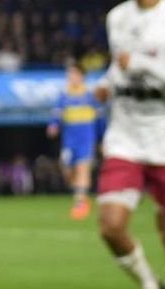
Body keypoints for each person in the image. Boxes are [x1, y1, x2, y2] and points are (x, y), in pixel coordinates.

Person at [95, 0, 165, 289]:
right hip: (125, 136)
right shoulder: (117, 17)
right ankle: (147, 283)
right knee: (111, 225)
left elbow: (135, 64)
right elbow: (118, 66)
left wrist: (140, 65)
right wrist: (107, 84)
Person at [47, 61, 99, 220]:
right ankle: (81, 194)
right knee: (67, 171)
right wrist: (53, 126)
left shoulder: (90, 95)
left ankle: (80, 203)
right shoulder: (64, 95)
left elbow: (100, 118)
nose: (71, 77)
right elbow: (57, 114)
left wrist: (102, 138)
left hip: (86, 138)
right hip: (69, 140)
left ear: (82, 76)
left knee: (83, 168)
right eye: (69, 74)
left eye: (74, 74)